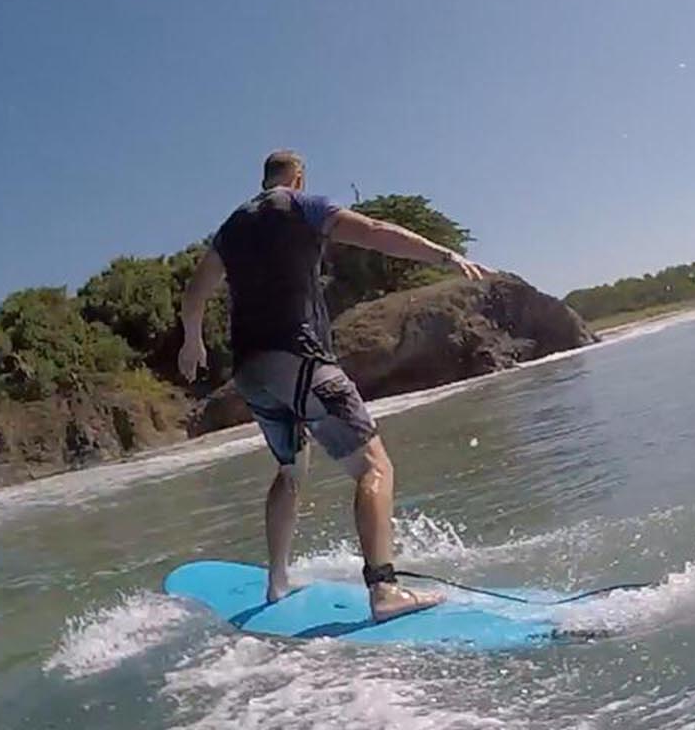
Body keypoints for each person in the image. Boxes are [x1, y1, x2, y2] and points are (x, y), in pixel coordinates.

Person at [177, 150, 493, 622]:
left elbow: (195, 291)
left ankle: (276, 582)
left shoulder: (231, 227)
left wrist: (193, 343)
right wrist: (443, 254)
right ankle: (384, 590)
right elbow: (376, 234)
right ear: (297, 178)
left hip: (251, 372)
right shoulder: (300, 206)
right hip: (300, 359)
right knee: (374, 466)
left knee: (290, 470)